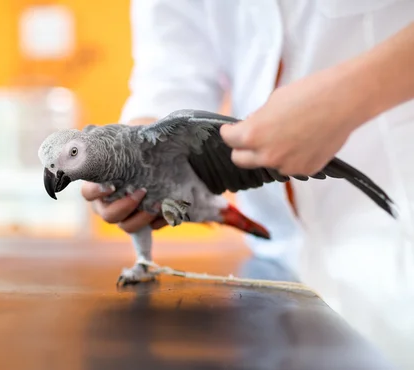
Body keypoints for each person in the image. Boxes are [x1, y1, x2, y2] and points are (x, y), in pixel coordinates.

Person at [81, 1, 414, 368]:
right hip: (282, 261)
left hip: (398, 230)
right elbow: (172, 73)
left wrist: (352, 94)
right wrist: (138, 165)